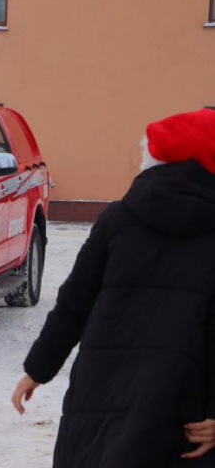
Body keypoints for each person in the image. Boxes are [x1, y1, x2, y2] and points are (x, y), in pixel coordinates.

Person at [11, 109, 215, 467]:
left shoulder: (119, 218)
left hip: (101, 399)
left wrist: (38, 368)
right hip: (185, 409)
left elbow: (74, 302)